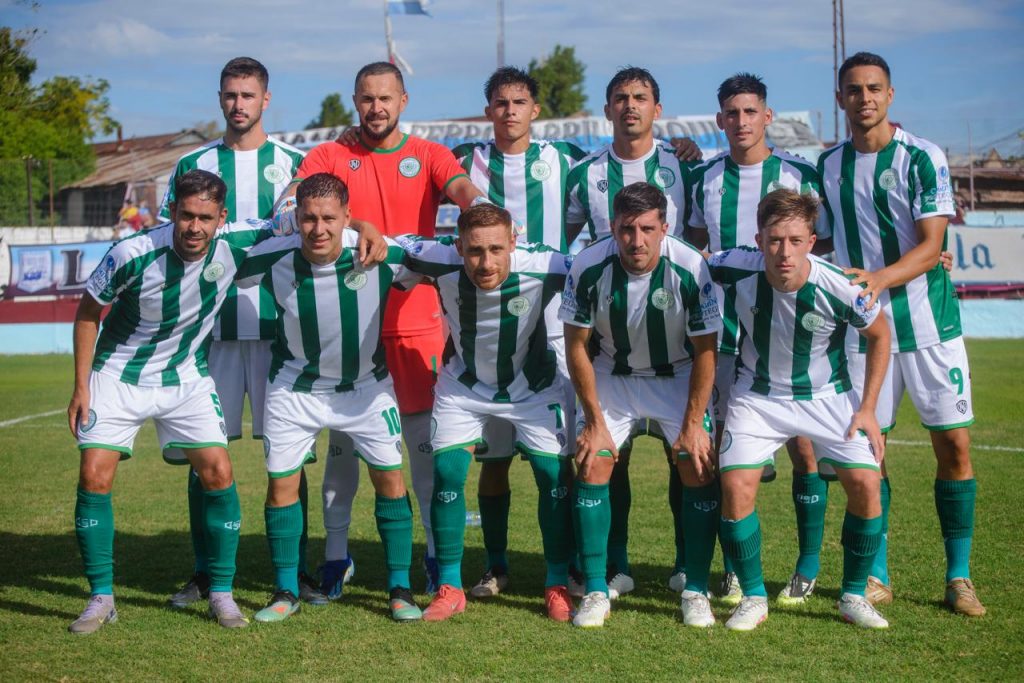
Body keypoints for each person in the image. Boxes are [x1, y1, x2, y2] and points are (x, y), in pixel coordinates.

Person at [287, 61, 484, 597]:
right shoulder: (329, 156)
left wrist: (482, 209)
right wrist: (357, 224)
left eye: (385, 98)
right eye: (367, 98)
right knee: (342, 450)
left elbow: (464, 189)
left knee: (422, 452)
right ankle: (336, 558)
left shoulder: (429, 154)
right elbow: (295, 202)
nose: (376, 108)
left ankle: (435, 558)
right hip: (348, 326)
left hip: (415, 324)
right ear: (355, 100)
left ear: (403, 101)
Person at [66, 169, 275, 634]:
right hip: (118, 374)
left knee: (219, 472)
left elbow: (299, 219)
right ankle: (101, 598)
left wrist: (364, 227)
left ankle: (221, 593)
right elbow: (87, 313)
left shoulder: (238, 243)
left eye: (205, 218)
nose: (194, 227)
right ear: (173, 212)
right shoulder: (131, 253)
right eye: (186, 215)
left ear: (222, 217)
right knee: (94, 475)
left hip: (185, 376)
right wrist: (81, 386)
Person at [818, 52, 984, 616]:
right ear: (840, 99)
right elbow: (819, 239)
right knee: (869, 453)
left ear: (890, 95)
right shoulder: (828, 165)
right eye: (854, 90)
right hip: (865, 332)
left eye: (874, 88)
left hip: (931, 326)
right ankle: (877, 575)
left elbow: (932, 246)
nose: (864, 98)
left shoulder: (923, 156)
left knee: (954, 445)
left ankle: (958, 576)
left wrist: (877, 278)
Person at [156, 57, 323, 610]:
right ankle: (205, 572)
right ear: (220, 98)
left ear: (266, 100)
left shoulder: (296, 164)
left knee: (290, 457)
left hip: (281, 334)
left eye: (248, 95)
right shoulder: (194, 163)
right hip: (211, 334)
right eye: (230, 95)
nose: (238, 104)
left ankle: (294, 573)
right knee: (204, 455)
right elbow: (170, 237)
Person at [235, 173, 421, 623]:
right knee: (281, 486)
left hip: (366, 388)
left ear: (347, 217)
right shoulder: (271, 255)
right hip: (294, 389)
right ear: (295, 218)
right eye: (309, 218)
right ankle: (285, 589)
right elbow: (219, 253)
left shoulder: (378, 252)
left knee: (391, 481)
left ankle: (400, 589)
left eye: (329, 219)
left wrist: (371, 229)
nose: (318, 229)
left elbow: (439, 258)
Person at [708, 188, 892, 630]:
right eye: (774, 240)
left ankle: (853, 595)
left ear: (812, 241)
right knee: (735, 486)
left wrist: (868, 410)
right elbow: (684, 259)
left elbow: (880, 336)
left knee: (867, 484)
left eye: (794, 241)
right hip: (758, 397)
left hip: (828, 397)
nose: (784, 252)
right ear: (759, 239)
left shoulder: (841, 286)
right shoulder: (733, 267)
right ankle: (754, 597)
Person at [686, 72, 831, 606]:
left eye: (750, 112)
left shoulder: (799, 175)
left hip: (789, 329)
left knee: (804, 447)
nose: (741, 121)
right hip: (725, 333)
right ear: (720, 119)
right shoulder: (705, 178)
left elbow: (823, 249)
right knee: (731, 455)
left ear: (767, 116)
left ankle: (807, 565)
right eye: (732, 113)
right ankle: (732, 568)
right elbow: (696, 248)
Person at [392, 203, 575, 622]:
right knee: (448, 472)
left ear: (514, 242)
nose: (486, 263)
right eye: (474, 251)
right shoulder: (437, 258)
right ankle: (450, 586)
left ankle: (557, 582)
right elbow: (383, 247)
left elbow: (601, 272)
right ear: (458, 247)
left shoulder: (546, 264)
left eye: (496, 249)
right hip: (464, 383)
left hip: (532, 386)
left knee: (552, 475)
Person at [563, 66, 699, 601]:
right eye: (620, 98)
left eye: (641, 97)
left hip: (675, 335)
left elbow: (701, 240)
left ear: (657, 109)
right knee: (604, 456)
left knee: (684, 455)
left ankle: (687, 564)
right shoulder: (586, 173)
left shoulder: (685, 164)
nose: (630, 106)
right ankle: (612, 565)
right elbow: (567, 243)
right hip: (609, 342)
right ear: (607, 109)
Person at [451, 66, 585, 598]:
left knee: (561, 459)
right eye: (501, 103)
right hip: (490, 326)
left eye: (520, 102)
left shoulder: (566, 159)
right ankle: (496, 565)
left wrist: (681, 148)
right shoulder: (464, 161)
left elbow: (620, 172)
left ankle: (570, 564)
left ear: (535, 110)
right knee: (495, 457)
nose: (510, 111)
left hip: (554, 326)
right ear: (489, 110)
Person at [560, 182, 720, 628]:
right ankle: (597, 588)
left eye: (647, 229)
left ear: (664, 227)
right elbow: (576, 346)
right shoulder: (588, 265)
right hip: (614, 374)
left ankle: (695, 588)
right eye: (627, 229)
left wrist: (693, 424)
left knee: (696, 461)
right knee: (594, 460)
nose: (637, 240)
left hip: (679, 374)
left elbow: (707, 350)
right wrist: (594, 421)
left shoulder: (691, 266)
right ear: (613, 226)